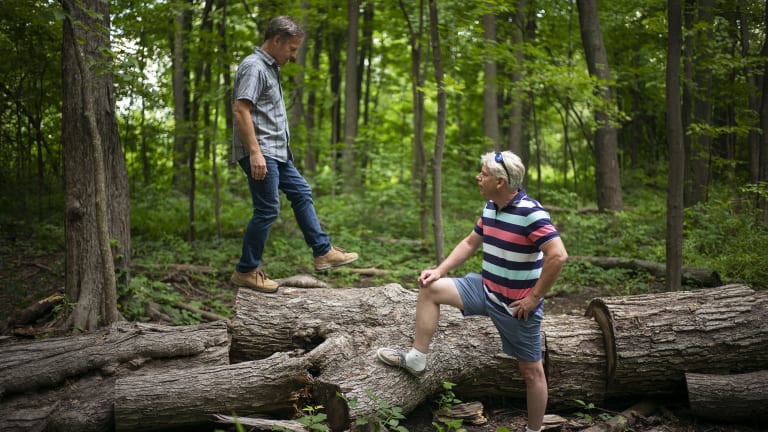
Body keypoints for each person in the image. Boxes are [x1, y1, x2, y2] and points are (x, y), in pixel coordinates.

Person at [376, 151, 567, 432]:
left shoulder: (531, 213)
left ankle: (533, 430)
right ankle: (417, 359)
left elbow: (558, 255)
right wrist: (439, 270)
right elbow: (469, 242)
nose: (479, 177)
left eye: (484, 174)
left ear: (500, 181)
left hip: (516, 307)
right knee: (431, 289)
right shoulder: (491, 206)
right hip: (484, 289)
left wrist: (534, 297)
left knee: (531, 373)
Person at [231, 16, 358, 293]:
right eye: (292, 49)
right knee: (267, 209)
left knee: (301, 192)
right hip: (262, 151)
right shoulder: (254, 67)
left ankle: (323, 251)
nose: (294, 56)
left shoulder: (270, 68)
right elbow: (241, 109)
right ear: (277, 40)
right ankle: (246, 270)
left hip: (277, 152)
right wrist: (254, 153)